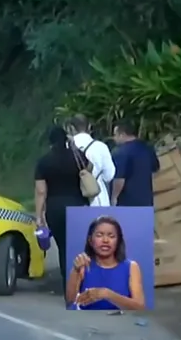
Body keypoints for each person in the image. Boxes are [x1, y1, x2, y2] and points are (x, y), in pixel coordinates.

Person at [35, 126, 89, 286]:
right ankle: (83, 281)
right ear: (67, 139)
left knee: (63, 247)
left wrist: (39, 216)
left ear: (50, 142)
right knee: (77, 246)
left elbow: (40, 191)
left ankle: (69, 284)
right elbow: (89, 170)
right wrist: (73, 146)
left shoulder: (44, 162)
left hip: (55, 208)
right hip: (77, 205)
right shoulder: (77, 157)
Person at [65, 215, 146, 310]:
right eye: (99, 235)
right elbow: (70, 301)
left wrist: (107, 294)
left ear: (118, 241)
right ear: (90, 240)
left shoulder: (131, 267)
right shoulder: (82, 265)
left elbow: (140, 307)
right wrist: (75, 271)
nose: (105, 240)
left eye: (111, 236)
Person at [67, 114, 115, 207]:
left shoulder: (66, 146)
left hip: (73, 197)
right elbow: (109, 175)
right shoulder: (101, 146)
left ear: (71, 128)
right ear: (89, 127)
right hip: (97, 195)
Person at [111, 119, 160, 207]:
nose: (114, 138)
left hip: (127, 202)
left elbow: (119, 179)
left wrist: (114, 197)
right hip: (146, 201)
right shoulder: (147, 148)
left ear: (122, 134)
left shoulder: (120, 152)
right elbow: (155, 168)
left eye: (115, 135)